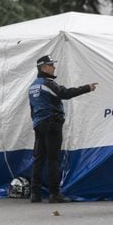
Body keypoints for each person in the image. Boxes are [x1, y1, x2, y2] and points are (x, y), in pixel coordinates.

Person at [28, 55, 97, 203]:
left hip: (39, 124)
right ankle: (54, 194)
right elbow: (65, 94)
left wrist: (37, 122)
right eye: (51, 65)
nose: (54, 67)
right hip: (52, 123)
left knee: (39, 159)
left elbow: (32, 109)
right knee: (53, 159)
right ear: (44, 67)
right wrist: (87, 88)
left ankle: (35, 193)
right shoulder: (48, 84)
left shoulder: (33, 86)